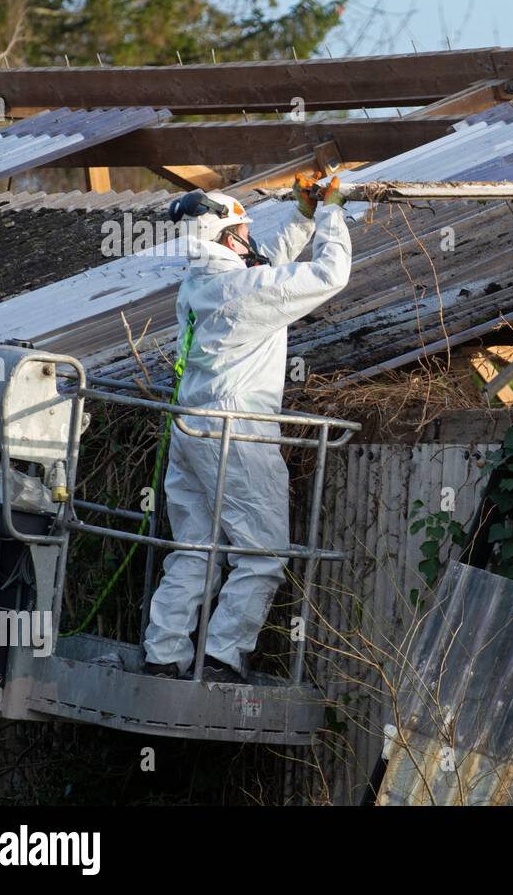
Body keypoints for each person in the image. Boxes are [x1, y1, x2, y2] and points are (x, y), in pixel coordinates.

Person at [142, 176, 350, 682]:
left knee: (196, 547)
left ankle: (164, 653)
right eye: (242, 231)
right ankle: (221, 658)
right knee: (263, 554)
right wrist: (330, 214)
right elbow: (329, 273)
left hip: (190, 431)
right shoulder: (243, 289)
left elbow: (266, 268)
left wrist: (300, 218)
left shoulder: (199, 284)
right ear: (227, 238)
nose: (249, 239)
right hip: (236, 435)